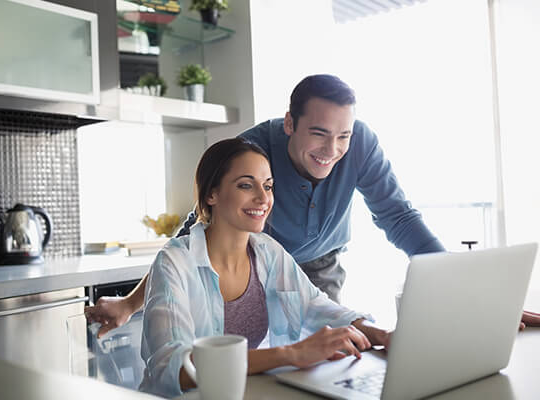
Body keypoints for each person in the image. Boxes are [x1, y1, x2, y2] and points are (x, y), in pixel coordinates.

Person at [86, 74, 539, 336]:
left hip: (322, 264)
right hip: (255, 265)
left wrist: (472, 296)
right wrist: (130, 303)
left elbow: (399, 217)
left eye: (343, 135)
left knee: (332, 353)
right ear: (289, 124)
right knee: (253, 352)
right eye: (319, 134)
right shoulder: (251, 152)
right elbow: (195, 230)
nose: (332, 149)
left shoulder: (360, 146)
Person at [134, 138, 390, 397]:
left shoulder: (268, 251)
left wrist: (381, 336)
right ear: (211, 193)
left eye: (268, 186)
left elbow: (316, 306)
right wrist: (291, 354)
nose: (262, 198)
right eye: (246, 185)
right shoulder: (174, 262)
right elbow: (174, 367)